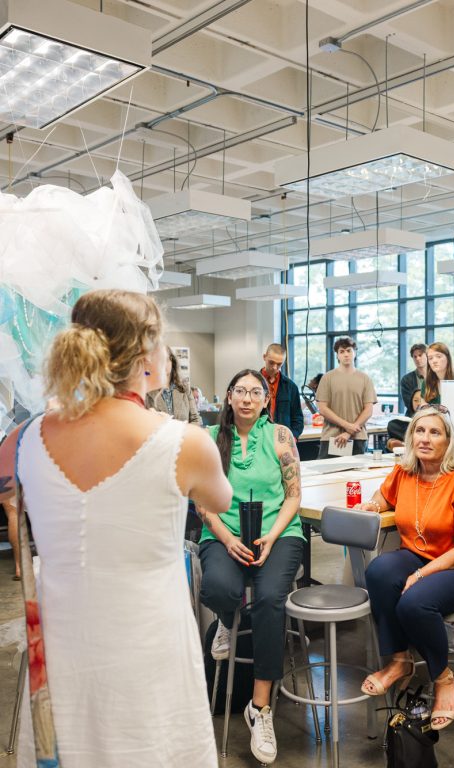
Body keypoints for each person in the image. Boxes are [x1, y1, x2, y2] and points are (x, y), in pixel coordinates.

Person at [0, 289, 232, 768]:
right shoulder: (184, 442)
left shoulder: (22, 440)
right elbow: (220, 500)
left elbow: (11, 493)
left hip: (63, 643)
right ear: (147, 353)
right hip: (149, 642)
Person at [358, 405, 454, 730]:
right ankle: (399, 661)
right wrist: (375, 504)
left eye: (435, 432)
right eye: (419, 431)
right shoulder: (406, 472)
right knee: (377, 573)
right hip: (418, 555)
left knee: (414, 603)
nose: (425, 439)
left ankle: (443, 677)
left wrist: (421, 574)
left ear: (449, 441)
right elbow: (384, 494)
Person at [198, 369, 304, 766]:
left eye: (255, 392)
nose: (246, 398)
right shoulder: (209, 440)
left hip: (279, 532)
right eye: (239, 391)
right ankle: (227, 620)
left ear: (264, 400)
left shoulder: (280, 436)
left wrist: (273, 535)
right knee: (219, 590)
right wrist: (227, 539)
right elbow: (202, 503)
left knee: (271, 599)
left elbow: (294, 495)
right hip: (223, 534)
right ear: (228, 397)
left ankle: (260, 709)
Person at [316, 336, 377, 458]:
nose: (346, 354)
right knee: (329, 475)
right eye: (342, 351)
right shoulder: (327, 378)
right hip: (332, 438)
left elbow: (368, 410)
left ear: (354, 353)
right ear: (337, 355)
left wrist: (349, 432)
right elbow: (322, 408)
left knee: (356, 476)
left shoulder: (365, 379)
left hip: (358, 438)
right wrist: (347, 426)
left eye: (349, 350)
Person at [146, 346, 202, 424]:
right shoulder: (147, 390)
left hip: (184, 435)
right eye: (159, 361)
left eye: (166, 360)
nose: (163, 365)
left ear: (172, 362)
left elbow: (196, 419)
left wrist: (183, 434)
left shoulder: (184, 388)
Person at [261, 342, 304, 439]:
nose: (275, 367)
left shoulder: (291, 387)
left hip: (282, 439)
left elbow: (298, 419)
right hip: (257, 438)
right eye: (271, 362)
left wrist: (292, 437)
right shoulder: (252, 382)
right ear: (264, 357)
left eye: (279, 364)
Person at [400, 343, 428, 417]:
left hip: (435, 418)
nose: (417, 359)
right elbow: (410, 404)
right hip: (413, 418)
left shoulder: (437, 377)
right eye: (415, 357)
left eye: (420, 355)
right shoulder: (406, 379)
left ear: (427, 356)